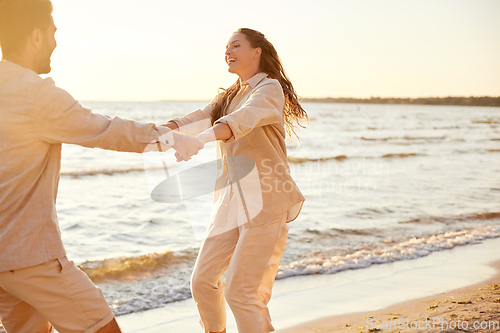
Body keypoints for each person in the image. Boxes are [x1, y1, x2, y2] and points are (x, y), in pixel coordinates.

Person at [0, 0, 203, 332]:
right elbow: (104, 129)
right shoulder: (36, 94)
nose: (55, 43)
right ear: (35, 37)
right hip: (31, 256)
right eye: (52, 34)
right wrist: (168, 137)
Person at [163, 28, 308, 333]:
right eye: (226, 47)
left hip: (266, 200)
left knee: (241, 293)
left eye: (236, 45)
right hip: (231, 201)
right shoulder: (230, 94)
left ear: (257, 51)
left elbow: (241, 121)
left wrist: (200, 140)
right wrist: (161, 131)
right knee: (203, 282)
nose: (228, 51)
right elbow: (199, 117)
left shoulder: (268, 89)